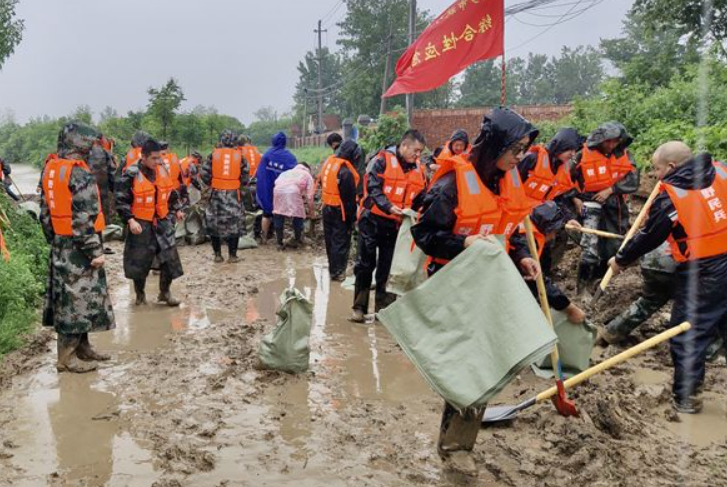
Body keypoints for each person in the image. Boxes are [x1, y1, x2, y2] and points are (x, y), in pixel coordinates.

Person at [411, 107, 541, 467]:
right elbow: (424, 235)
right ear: (495, 145)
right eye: (515, 150)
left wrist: (522, 256)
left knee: (484, 359)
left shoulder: (507, 180)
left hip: (490, 281)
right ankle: (454, 447)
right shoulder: (450, 185)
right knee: (466, 361)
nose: (519, 159)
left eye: (524, 151)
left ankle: (461, 437)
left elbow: (509, 231)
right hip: (453, 281)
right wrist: (462, 244)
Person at [608, 141, 727, 414]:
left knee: (688, 332)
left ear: (671, 167)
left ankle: (687, 398)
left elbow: (651, 235)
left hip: (704, 271)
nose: (656, 174)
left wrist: (622, 260)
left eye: (657, 169)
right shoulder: (721, 171)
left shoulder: (672, 194)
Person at [39, 121, 115, 373]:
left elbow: (45, 212)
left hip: (62, 243)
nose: (93, 148)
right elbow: (84, 218)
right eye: (91, 143)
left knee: (74, 299)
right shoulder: (78, 173)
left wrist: (56, 240)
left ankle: (82, 347)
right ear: (80, 143)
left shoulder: (50, 168)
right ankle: (66, 358)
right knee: (76, 302)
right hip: (78, 247)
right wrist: (94, 251)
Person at [351, 129, 428, 322]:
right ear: (404, 146)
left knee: (388, 267)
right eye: (415, 151)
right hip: (372, 220)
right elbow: (373, 188)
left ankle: (383, 311)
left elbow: (421, 196)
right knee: (365, 265)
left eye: (420, 152)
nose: (418, 155)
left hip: (395, 226)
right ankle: (359, 308)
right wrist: (389, 207)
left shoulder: (419, 169)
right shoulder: (381, 161)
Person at [116, 138, 185, 306]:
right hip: (141, 224)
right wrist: (130, 220)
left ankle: (165, 293)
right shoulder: (131, 174)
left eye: (159, 157)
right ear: (144, 157)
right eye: (154, 158)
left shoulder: (162, 171)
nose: (158, 161)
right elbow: (121, 200)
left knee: (169, 259)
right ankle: (140, 296)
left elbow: (171, 193)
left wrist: (177, 209)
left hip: (162, 222)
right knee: (139, 262)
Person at [572, 123, 640, 295]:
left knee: (613, 244)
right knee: (590, 246)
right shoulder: (582, 154)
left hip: (615, 204)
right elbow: (566, 178)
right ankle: (582, 288)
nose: (611, 145)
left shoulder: (625, 155)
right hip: (589, 202)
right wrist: (574, 198)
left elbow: (633, 179)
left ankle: (601, 282)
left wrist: (611, 189)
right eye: (608, 142)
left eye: (615, 142)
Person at [600, 243, 677, 344]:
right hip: (676, 264)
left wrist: (622, 259)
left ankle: (611, 332)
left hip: (651, 261)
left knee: (647, 303)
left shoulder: (663, 227)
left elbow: (645, 237)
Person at [526, 201, 587, 324]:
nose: (554, 235)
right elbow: (537, 279)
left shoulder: (535, 232)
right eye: (553, 231)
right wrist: (569, 308)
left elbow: (557, 201)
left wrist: (568, 219)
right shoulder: (526, 245)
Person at [201, 130, 249, 263]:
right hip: (234, 194)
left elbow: (204, 174)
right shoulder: (240, 156)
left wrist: (214, 183)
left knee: (214, 223)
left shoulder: (213, 154)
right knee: (235, 224)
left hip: (216, 193)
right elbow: (245, 178)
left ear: (221, 140)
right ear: (234, 142)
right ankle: (232, 256)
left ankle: (217, 255)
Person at [319, 141, 360, 281]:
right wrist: (352, 218)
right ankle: (338, 272)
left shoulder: (328, 164)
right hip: (340, 211)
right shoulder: (346, 172)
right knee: (341, 241)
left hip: (327, 208)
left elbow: (320, 182)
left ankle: (332, 269)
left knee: (330, 240)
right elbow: (349, 200)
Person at [256, 132, 297, 242]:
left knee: (267, 213)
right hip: (283, 190)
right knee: (280, 214)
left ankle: (263, 237)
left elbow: (260, 173)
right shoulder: (290, 157)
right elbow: (294, 174)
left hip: (267, 188)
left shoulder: (266, 155)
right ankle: (280, 240)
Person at [272, 162, 315, 250]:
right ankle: (297, 240)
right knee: (298, 215)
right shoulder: (307, 174)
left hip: (277, 191)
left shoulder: (286, 172)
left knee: (278, 214)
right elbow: (310, 197)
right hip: (293, 192)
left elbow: (276, 182)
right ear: (307, 169)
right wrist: (312, 213)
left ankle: (279, 243)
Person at [88, 135, 118, 254]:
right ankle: (98, 246)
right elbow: (112, 174)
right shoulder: (105, 153)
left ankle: (90, 247)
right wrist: (116, 191)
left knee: (86, 220)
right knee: (99, 221)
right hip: (101, 193)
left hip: (83, 194)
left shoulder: (80, 154)